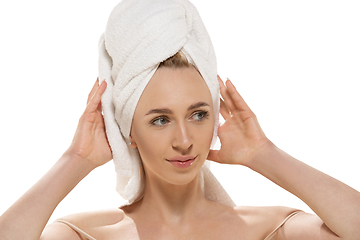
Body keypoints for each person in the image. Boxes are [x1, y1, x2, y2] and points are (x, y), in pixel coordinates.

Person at [1, 1, 360, 240]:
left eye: (199, 114)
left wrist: (264, 154)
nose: (185, 140)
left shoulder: (267, 229)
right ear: (129, 132)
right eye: (160, 120)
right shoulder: (85, 234)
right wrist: (74, 160)